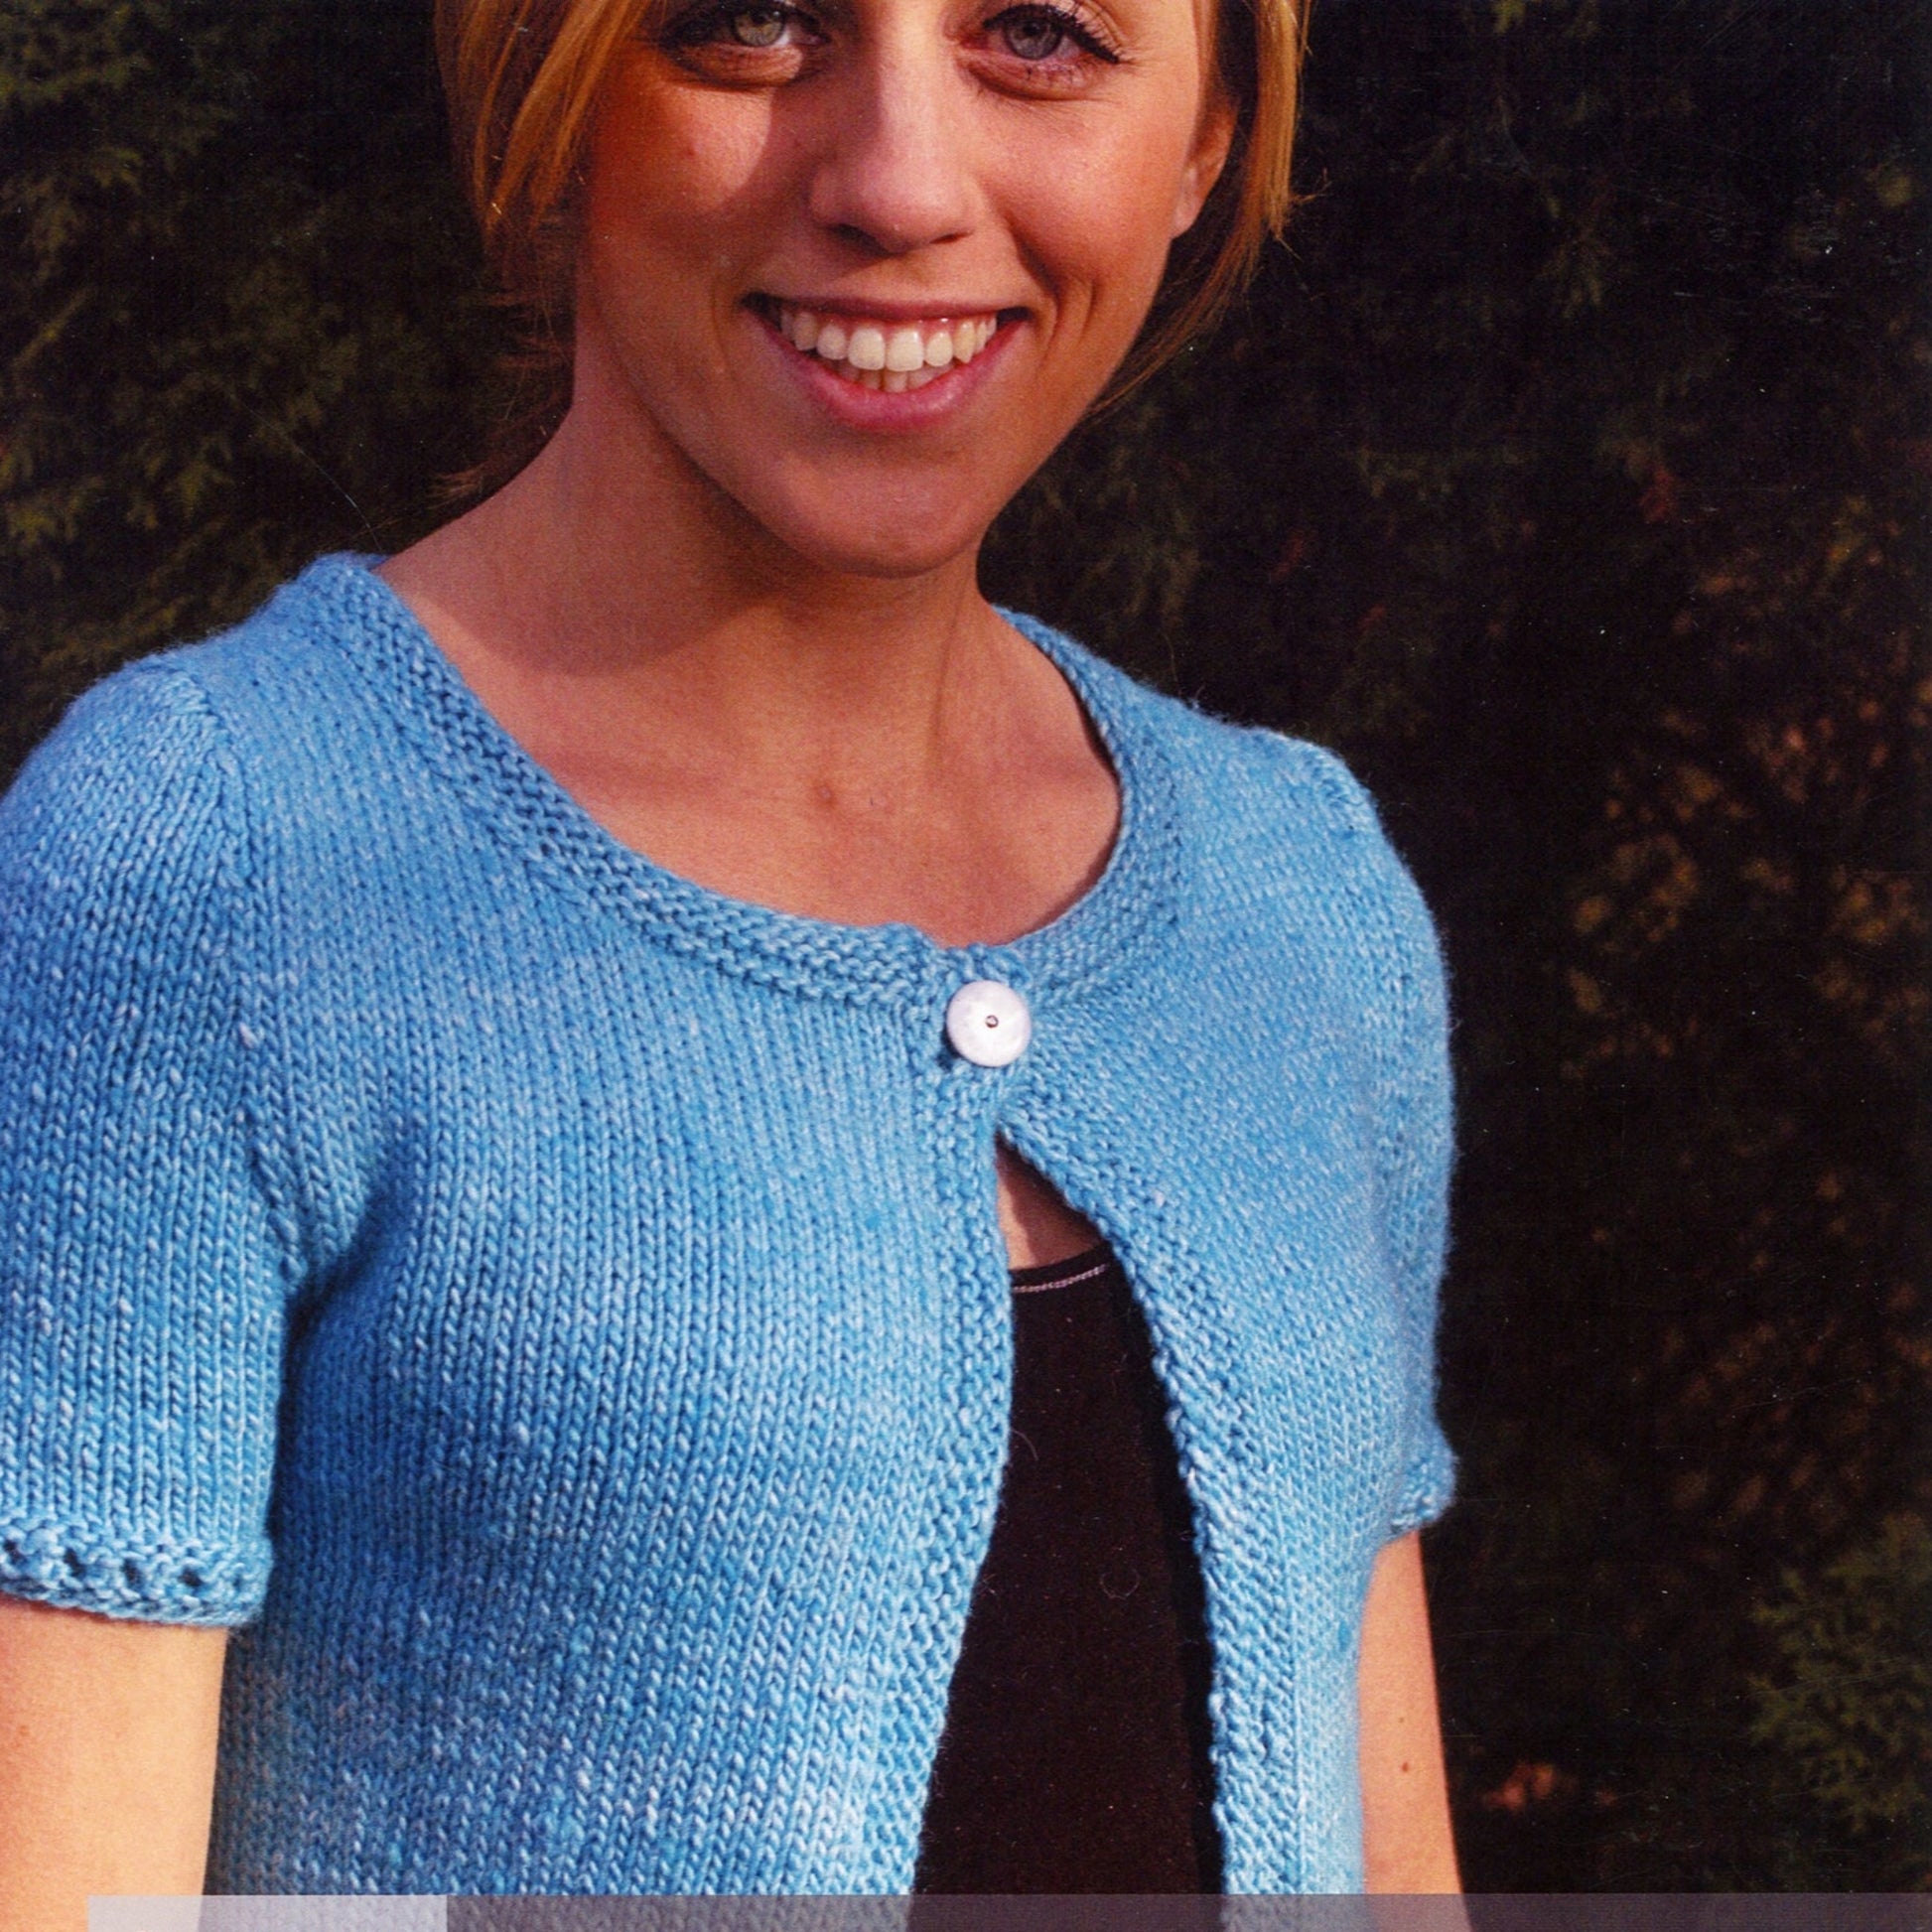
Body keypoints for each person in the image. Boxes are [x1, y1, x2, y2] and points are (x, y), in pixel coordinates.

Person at [0, 0, 1460, 1914]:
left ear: (1206, 136)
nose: (898, 185)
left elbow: (1388, 1858)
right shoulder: (207, 861)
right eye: (748, 26)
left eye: (1038, 36)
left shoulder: (1305, 900)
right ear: (555, 90)